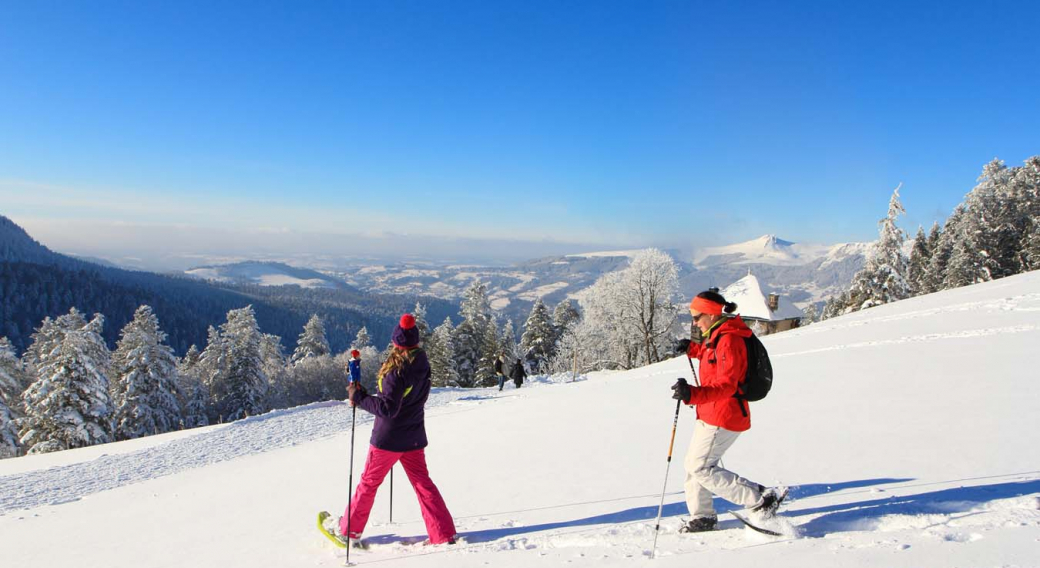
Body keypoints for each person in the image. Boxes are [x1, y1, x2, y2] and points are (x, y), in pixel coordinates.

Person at [338, 314, 457, 546]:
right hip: (413, 436)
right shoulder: (422, 363)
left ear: (396, 342)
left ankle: (349, 531)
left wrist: (359, 396)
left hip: (388, 439)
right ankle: (443, 533)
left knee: (368, 483)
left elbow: (387, 408)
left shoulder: (396, 371)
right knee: (423, 483)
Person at [671, 290, 783, 533]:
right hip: (709, 412)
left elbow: (727, 385)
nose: (694, 322)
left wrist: (693, 394)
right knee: (694, 465)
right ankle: (702, 516)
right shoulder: (717, 334)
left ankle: (760, 499)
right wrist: (692, 348)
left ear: (711, 314)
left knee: (701, 467)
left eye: (697, 317)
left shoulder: (729, 339)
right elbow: (711, 357)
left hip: (724, 415)